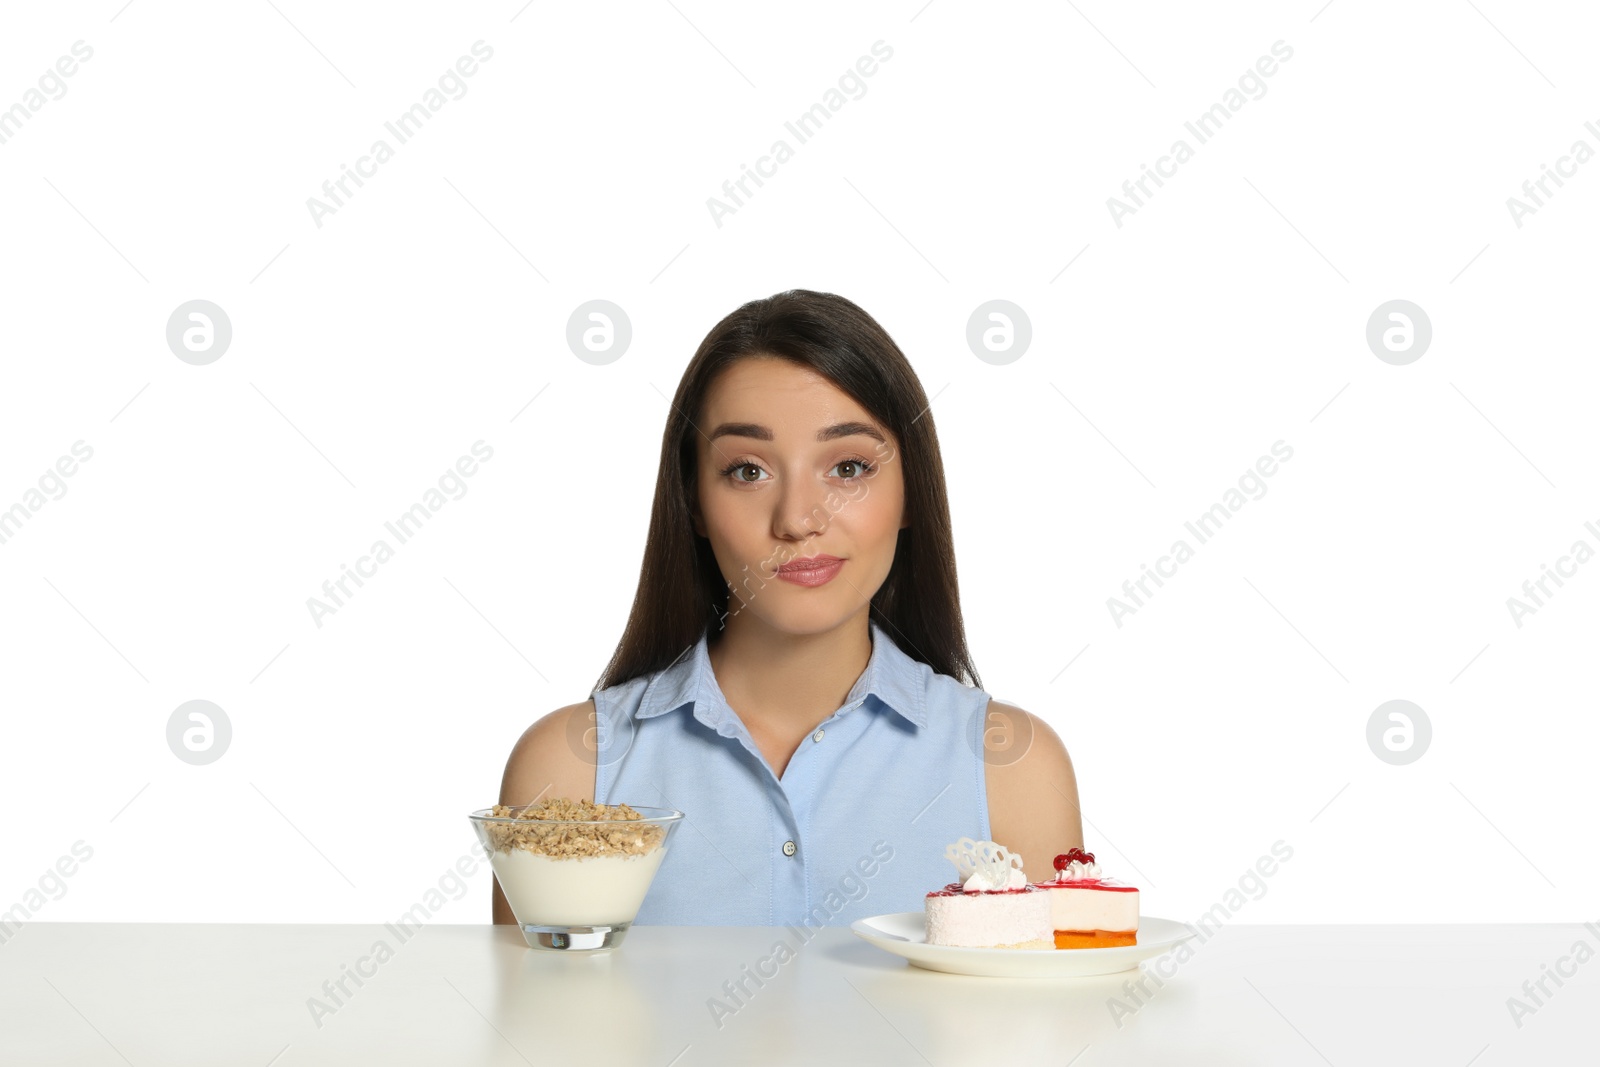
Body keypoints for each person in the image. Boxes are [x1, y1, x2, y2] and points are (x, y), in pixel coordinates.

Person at [493, 289, 1083, 927]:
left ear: (912, 491)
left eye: (849, 466)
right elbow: (535, 1024)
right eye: (748, 471)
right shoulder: (569, 769)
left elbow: (1055, 1022)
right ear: (692, 501)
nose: (799, 519)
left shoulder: (1013, 770)